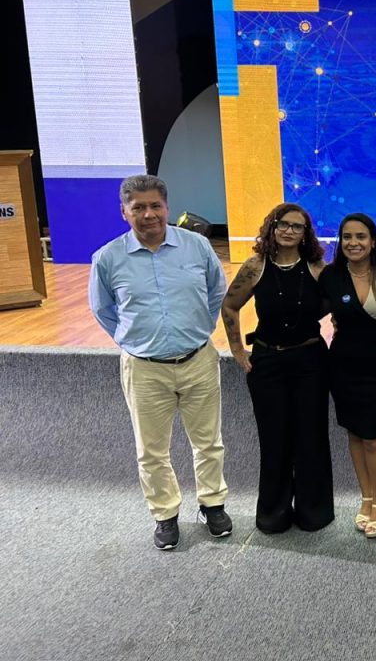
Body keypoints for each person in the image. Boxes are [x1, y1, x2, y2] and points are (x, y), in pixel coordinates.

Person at [89, 174, 230, 550]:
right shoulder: (107, 258)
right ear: (124, 212)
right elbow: (103, 311)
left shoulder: (197, 246)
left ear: (167, 207)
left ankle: (213, 504)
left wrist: (198, 330)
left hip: (198, 361)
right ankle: (165, 514)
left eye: (155, 206)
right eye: (138, 207)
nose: (148, 214)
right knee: (151, 450)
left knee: (209, 443)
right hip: (144, 368)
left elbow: (216, 292)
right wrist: (135, 342)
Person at [220, 203, 334, 534]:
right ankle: (273, 513)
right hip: (268, 363)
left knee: (311, 438)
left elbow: (335, 303)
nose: (288, 231)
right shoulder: (255, 266)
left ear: (305, 233)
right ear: (272, 227)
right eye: (282, 224)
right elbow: (230, 305)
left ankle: (314, 512)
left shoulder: (317, 267)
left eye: (297, 226)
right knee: (274, 439)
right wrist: (237, 350)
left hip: (310, 361)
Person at [320, 213, 376, 539]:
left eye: (360, 236)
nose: (353, 243)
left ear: (373, 241)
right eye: (347, 237)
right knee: (354, 433)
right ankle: (366, 498)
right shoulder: (330, 276)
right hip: (343, 365)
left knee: (373, 435)